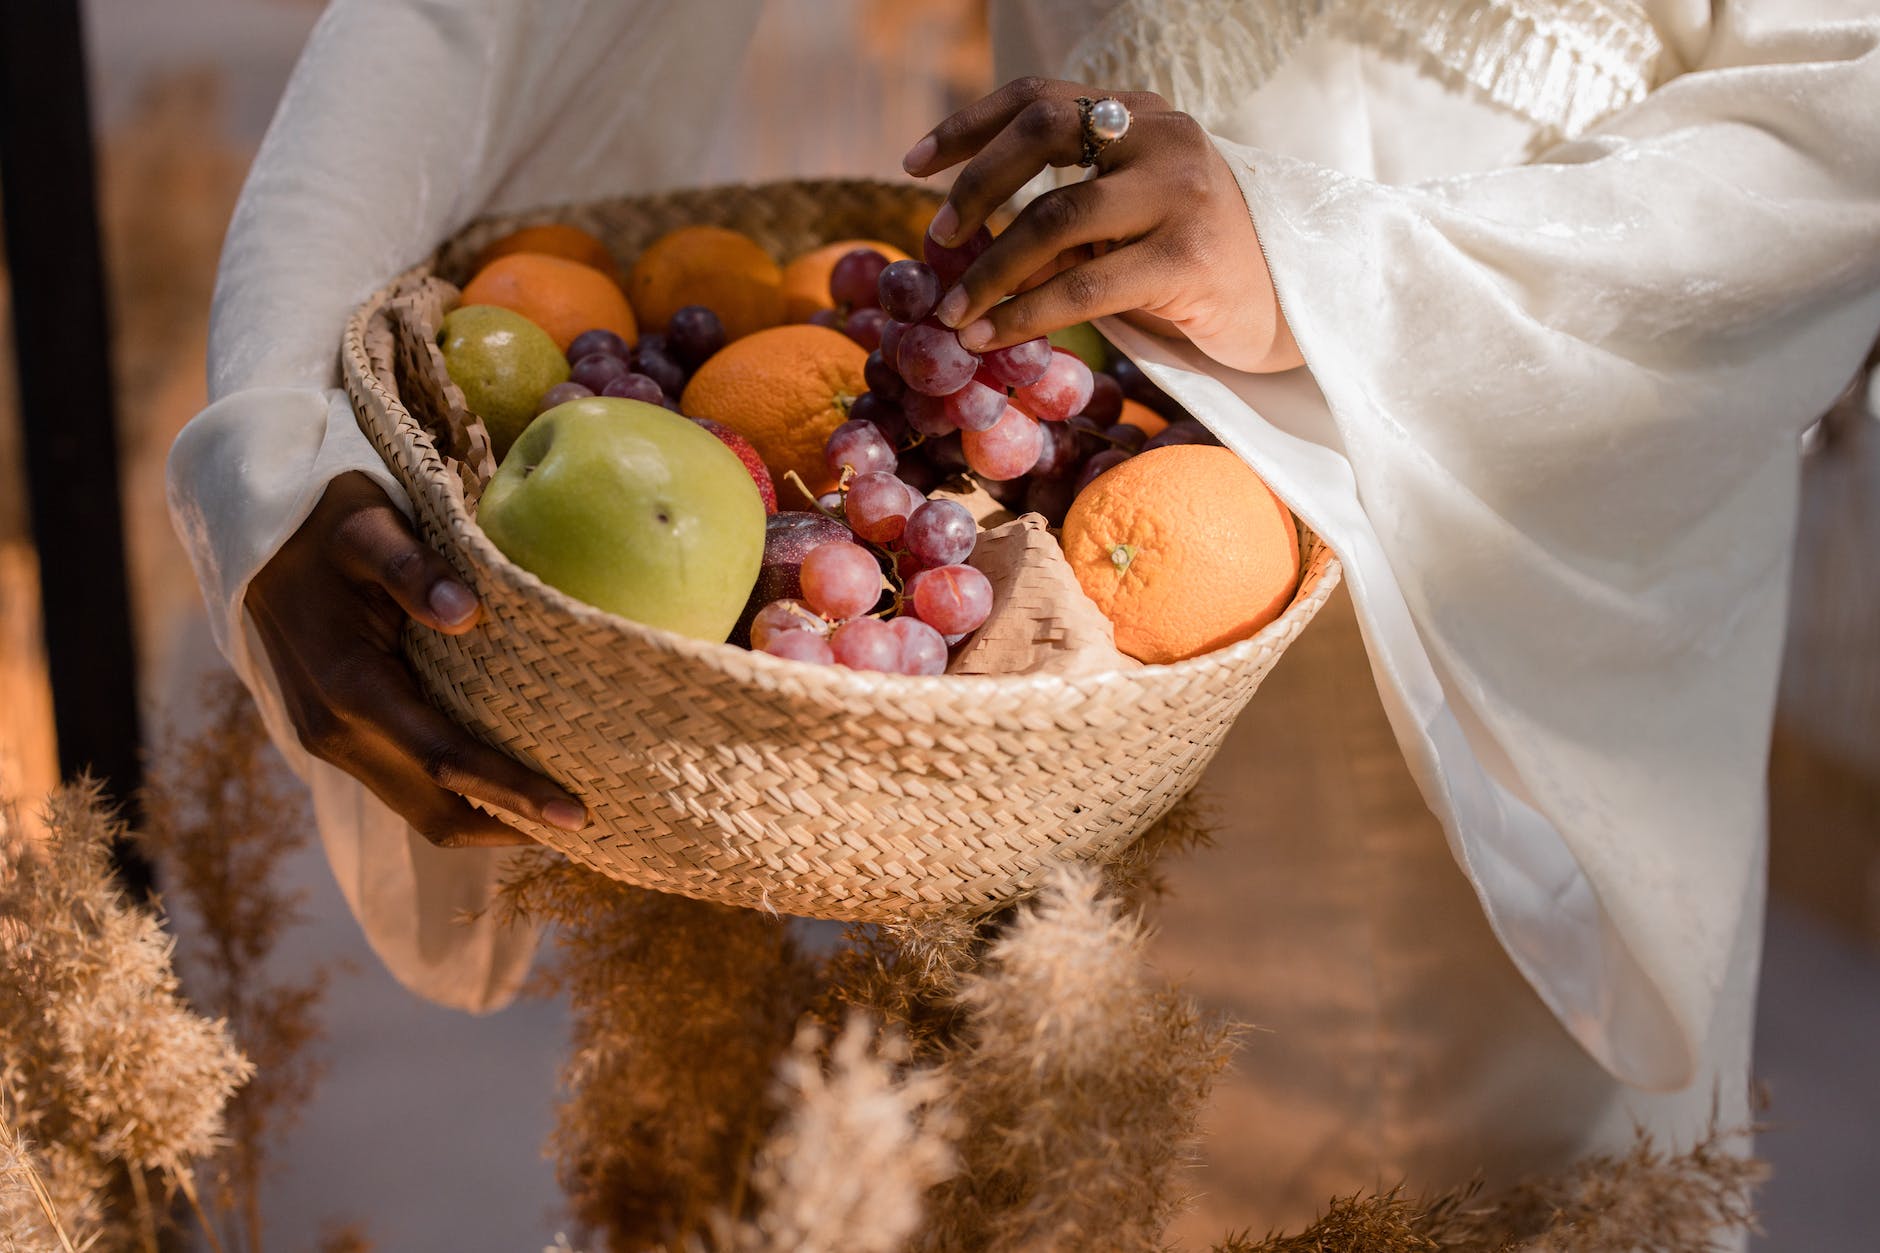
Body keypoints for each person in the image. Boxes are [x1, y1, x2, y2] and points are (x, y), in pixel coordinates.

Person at [167, 0, 1880, 1238]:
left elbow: (1845, 115)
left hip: (1524, 654)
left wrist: (1325, 269)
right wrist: (276, 436)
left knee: (1494, 1184)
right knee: (1077, 1157)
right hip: (1033, 641)